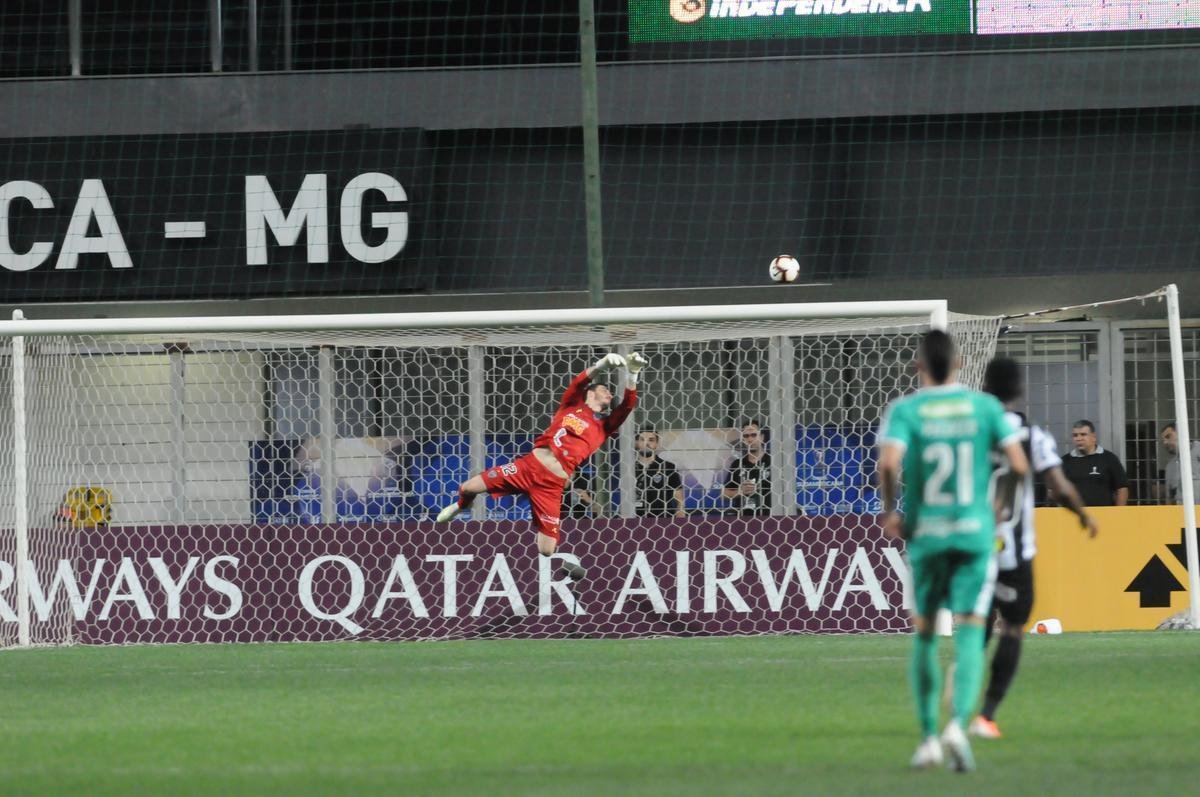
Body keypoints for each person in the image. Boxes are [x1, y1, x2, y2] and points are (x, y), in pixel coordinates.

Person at [876, 330, 1029, 773]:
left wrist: (891, 512)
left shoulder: (906, 410)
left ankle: (927, 739)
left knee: (925, 634)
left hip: (927, 535)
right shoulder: (984, 408)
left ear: (918, 366)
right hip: (974, 534)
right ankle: (958, 727)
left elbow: (888, 463)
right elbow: (1018, 465)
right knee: (970, 630)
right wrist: (999, 507)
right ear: (960, 363)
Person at [437, 352, 647, 585]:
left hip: (551, 486)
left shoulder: (602, 427)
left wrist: (633, 374)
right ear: (591, 392)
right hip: (526, 467)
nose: (609, 393)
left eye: (610, 391)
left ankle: (562, 564)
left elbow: (627, 406)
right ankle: (458, 507)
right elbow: (579, 381)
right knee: (467, 487)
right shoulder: (571, 406)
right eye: (604, 389)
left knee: (546, 550)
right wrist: (602, 363)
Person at [971, 358, 1098, 741]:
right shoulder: (1032, 435)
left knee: (974, 626)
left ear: (984, 386)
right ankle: (987, 714)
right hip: (1013, 549)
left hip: (972, 545)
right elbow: (1058, 487)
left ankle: (958, 702)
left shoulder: (968, 431)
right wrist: (1082, 515)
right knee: (1011, 627)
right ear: (1018, 391)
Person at [1059, 420, 1129, 506]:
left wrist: (1119, 513)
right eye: (1075, 435)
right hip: (1074, 516)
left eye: (1083, 434)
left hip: (1104, 516)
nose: (1079, 438)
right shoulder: (1065, 461)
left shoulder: (1109, 458)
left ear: (1093, 437)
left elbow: (1122, 488)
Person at [634, 426, 686, 518]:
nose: (646, 443)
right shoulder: (629, 468)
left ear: (657, 443)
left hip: (663, 519)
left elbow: (678, 492)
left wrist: (680, 510)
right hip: (635, 519)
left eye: (651, 440)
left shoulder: (668, 467)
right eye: (642, 439)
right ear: (637, 443)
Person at [722, 419, 771, 516]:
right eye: (746, 436)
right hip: (744, 520)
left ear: (761, 437)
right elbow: (724, 494)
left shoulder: (773, 462)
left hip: (771, 518)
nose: (750, 439)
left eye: (753, 435)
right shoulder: (737, 464)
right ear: (743, 439)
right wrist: (740, 491)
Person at [1161, 423, 1200, 504]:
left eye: (1168, 436)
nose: (1165, 442)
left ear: (1181, 432)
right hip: (1181, 513)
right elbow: (1168, 498)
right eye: (1163, 440)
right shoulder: (1170, 467)